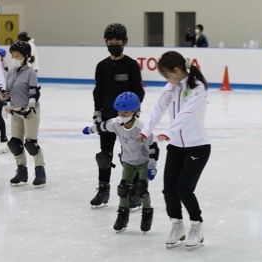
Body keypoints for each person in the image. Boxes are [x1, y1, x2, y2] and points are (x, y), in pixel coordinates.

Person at [136, 51, 211, 249]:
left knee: (184, 189)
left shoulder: (198, 88)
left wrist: (168, 132)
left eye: (168, 75)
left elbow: (186, 114)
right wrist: (145, 131)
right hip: (176, 147)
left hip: (198, 147)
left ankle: (197, 225)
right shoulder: (171, 87)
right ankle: (177, 226)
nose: (168, 79)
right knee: (169, 189)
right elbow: (157, 109)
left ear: (177, 70)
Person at [83, 92, 159, 233]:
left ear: (135, 111)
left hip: (143, 162)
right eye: (119, 111)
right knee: (123, 188)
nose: (122, 115)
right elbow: (103, 126)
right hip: (128, 162)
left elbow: (153, 147)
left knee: (142, 189)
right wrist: (90, 129)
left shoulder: (142, 128)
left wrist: (152, 166)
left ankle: (147, 213)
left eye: (125, 112)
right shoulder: (116, 123)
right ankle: (122, 216)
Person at [90, 23, 145, 208]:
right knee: (104, 156)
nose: (114, 43)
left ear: (124, 42)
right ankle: (103, 190)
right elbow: (98, 91)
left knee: (129, 156)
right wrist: (97, 113)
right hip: (107, 117)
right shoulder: (102, 66)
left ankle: (135, 191)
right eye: (110, 40)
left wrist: (133, 113)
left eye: (117, 40)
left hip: (127, 120)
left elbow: (138, 90)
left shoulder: (131, 65)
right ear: (106, 42)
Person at [1, 41, 46, 187]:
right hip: (15, 111)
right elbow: (8, 91)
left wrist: (31, 103)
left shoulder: (30, 72)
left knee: (30, 144)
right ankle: (21, 171)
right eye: (12, 55)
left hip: (29, 112)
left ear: (25, 56)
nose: (14, 58)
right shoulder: (11, 72)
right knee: (15, 143)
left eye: (17, 55)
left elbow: (33, 91)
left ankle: (40, 170)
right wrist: (4, 95)